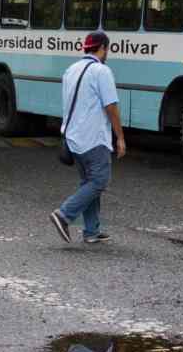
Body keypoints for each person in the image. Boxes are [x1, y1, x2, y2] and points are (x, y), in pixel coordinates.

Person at [50, 31, 126, 244]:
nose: (107, 53)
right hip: (93, 138)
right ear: (102, 47)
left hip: (73, 138)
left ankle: (91, 231)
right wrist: (120, 137)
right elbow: (111, 106)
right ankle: (63, 215)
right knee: (100, 180)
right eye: (107, 49)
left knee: (89, 182)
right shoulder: (101, 71)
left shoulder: (70, 70)